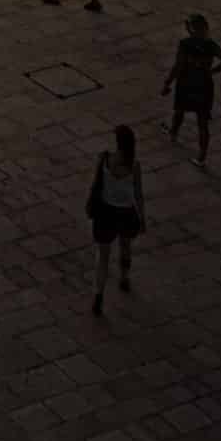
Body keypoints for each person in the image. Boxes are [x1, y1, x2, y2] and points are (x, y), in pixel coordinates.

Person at [85, 123, 144, 314]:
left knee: (102, 257)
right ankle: (124, 278)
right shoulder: (134, 165)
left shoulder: (104, 159)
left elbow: (95, 184)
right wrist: (142, 219)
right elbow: (138, 195)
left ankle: (98, 295)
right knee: (125, 247)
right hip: (126, 212)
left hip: (105, 212)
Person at [163, 14, 221, 165]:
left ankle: (173, 133)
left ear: (191, 29)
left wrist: (167, 83)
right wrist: (212, 71)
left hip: (186, 83)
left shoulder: (185, 44)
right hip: (204, 85)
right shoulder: (211, 45)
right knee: (202, 122)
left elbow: (178, 66)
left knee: (179, 110)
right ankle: (201, 156)